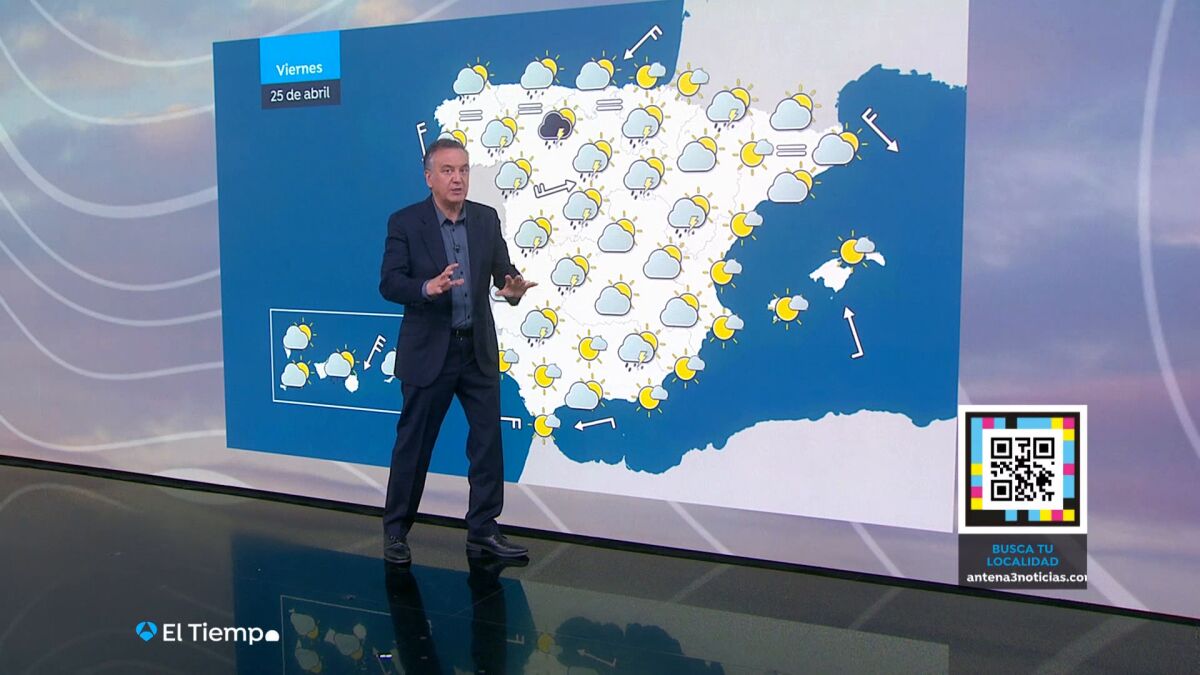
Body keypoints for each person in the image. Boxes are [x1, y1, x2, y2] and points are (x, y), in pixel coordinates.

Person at [379, 137, 537, 564]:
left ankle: (483, 529)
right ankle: (396, 532)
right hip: (430, 352)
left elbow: (504, 273)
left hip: (476, 349)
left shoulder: (485, 219)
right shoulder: (405, 222)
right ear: (429, 177)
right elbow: (389, 283)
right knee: (414, 445)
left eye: (463, 170)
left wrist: (512, 289)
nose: (457, 178)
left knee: (487, 443)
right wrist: (426, 288)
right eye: (448, 170)